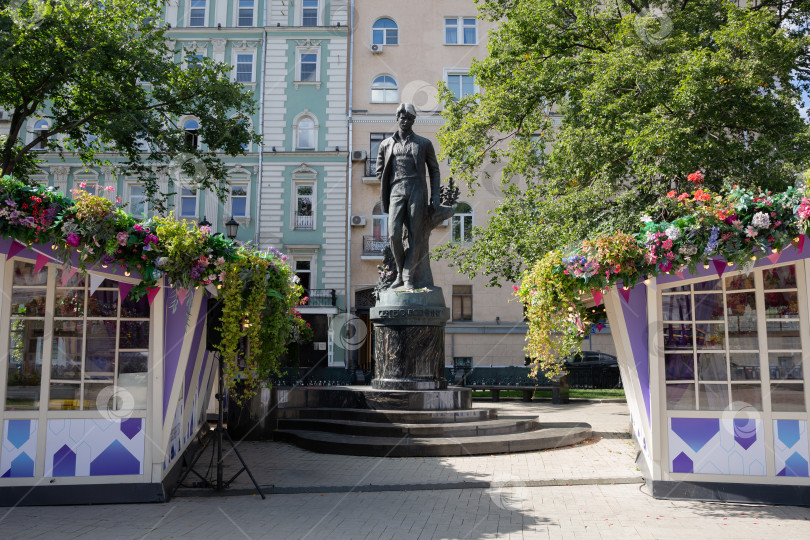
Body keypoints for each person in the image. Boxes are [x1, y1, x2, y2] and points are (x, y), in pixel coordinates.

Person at [377, 103, 442, 289]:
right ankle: (399, 273)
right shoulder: (386, 144)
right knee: (394, 234)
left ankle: (408, 277)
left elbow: (435, 170)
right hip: (396, 190)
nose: (405, 121)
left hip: (417, 190)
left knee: (416, 236)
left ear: (413, 121)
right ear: (397, 119)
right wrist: (387, 190)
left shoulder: (423, 143)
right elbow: (380, 172)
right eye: (402, 117)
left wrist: (435, 196)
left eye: (409, 118)